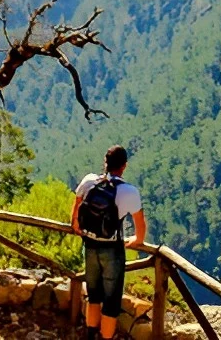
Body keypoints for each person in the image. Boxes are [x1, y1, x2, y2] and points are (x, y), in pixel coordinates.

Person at [70, 144, 146, 339]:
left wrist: (80, 229)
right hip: (112, 250)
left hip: (90, 245)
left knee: (94, 296)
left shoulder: (89, 181)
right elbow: (140, 228)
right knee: (111, 302)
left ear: (105, 163)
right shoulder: (129, 191)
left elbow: (76, 215)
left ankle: (90, 334)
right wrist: (136, 241)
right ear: (124, 166)